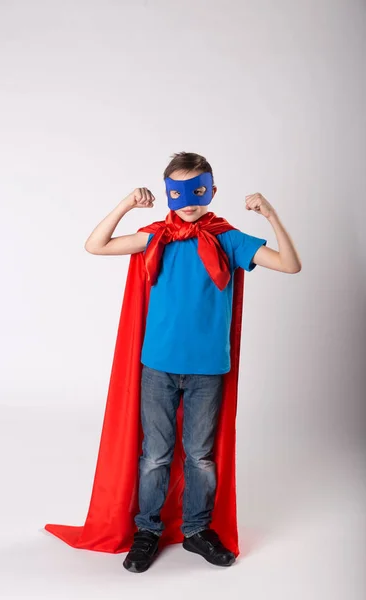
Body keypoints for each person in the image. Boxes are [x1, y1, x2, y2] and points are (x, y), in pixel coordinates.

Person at [82, 151, 301, 573]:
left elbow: (290, 265)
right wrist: (127, 204)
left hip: (207, 370)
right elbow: (96, 245)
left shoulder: (229, 239)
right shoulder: (156, 236)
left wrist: (271, 215)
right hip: (157, 366)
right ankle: (147, 531)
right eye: (179, 192)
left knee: (200, 456)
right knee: (155, 455)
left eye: (198, 190)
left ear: (212, 191)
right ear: (168, 193)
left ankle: (197, 531)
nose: (189, 200)